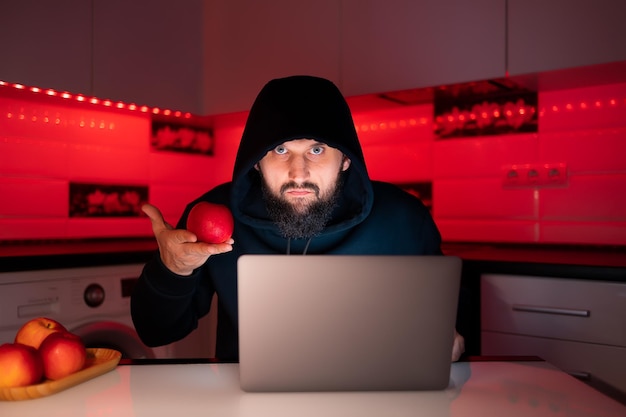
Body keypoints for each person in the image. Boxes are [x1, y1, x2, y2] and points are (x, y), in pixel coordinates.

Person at [131, 75, 465, 361]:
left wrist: (449, 339)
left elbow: (449, 327)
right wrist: (173, 270)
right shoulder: (212, 215)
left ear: (345, 161)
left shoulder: (403, 218)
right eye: (280, 150)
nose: (298, 172)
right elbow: (156, 332)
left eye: (316, 150)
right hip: (249, 404)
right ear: (257, 162)